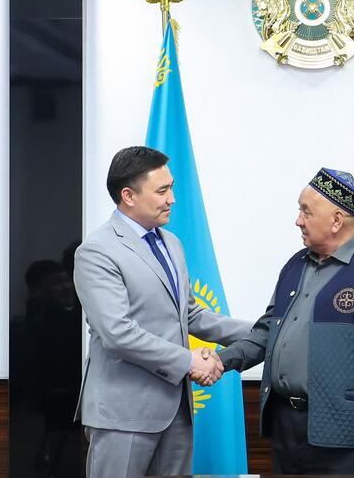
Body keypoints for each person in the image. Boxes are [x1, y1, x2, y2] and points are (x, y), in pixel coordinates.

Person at [216, 167, 354, 474]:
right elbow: (268, 332)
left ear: (336, 220)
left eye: (306, 211)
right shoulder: (295, 266)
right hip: (285, 426)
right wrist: (220, 360)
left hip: (341, 432)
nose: (298, 220)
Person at [73, 146, 252, 477]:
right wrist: (189, 361)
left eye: (172, 188)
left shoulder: (171, 243)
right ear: (128, 196)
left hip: (177, 410)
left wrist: (266, 330)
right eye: (162, 191)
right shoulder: (97, 251)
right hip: (123, 414)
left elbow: (190, 315)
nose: (172, 199)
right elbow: (117, 333)